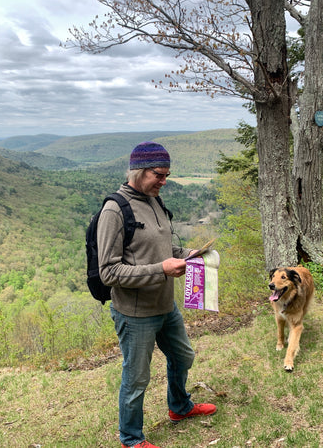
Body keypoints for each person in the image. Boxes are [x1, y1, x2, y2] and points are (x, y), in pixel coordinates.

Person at [97, 141, 217, 448]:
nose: (164, 181)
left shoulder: (154, 200)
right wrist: (161, 270)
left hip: (166, 306)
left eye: (166, 175)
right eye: (159, 175)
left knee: (183, 356)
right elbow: (109, 272)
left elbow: (161, 249)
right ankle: (131, 439)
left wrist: (188, 253)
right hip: (136, 314)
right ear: (139, 172)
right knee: (137, 379)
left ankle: (179, 408)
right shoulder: (114, 210)